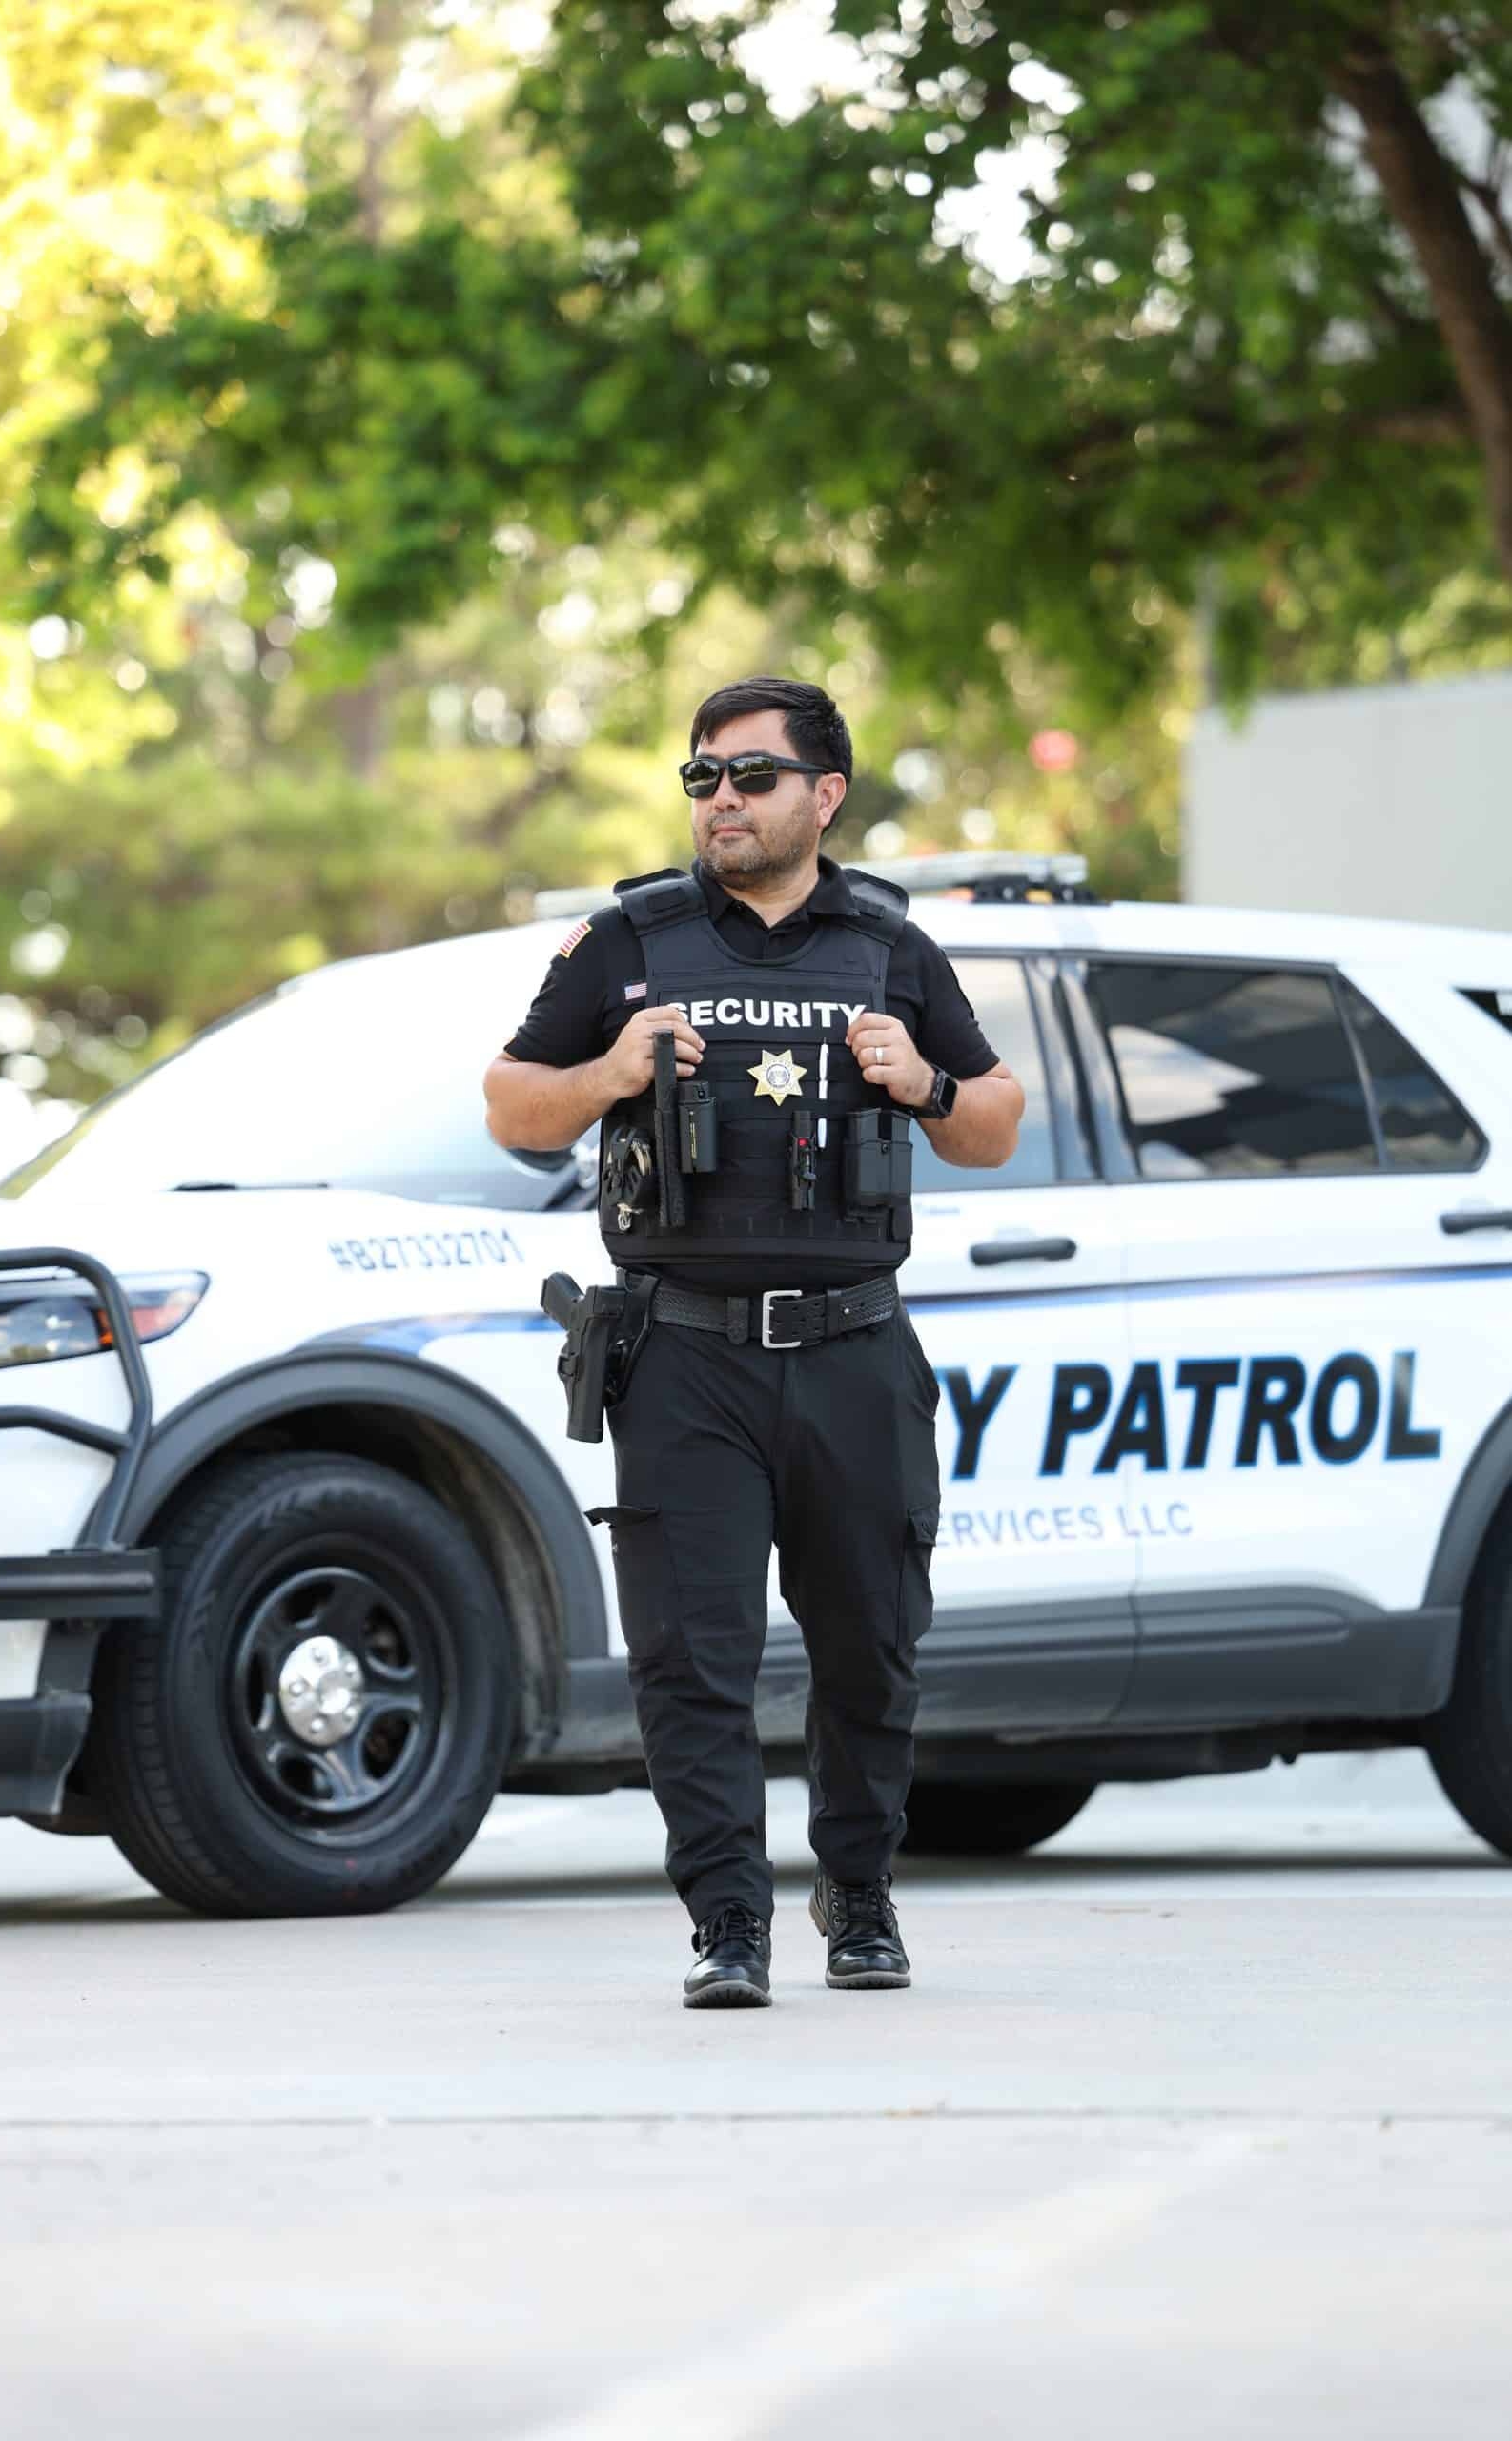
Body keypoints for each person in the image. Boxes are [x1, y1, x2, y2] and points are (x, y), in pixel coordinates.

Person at [484, 676, 1024, 2007]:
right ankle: (728, 1921)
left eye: (752, 776)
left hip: (855, 1351)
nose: (721, 798)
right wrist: (610, 1072)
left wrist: (926, 1082)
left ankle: (860, 1895)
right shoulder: (630, 940)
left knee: (871, 1648)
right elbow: (510, 1104)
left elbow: (995, 1119)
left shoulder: (891, 945)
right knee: (692, 1661)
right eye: (703, 778)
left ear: (823, 796)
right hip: (685, 1355)